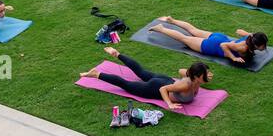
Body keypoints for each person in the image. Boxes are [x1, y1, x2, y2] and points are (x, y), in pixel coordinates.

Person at [81, 47, 210, 111]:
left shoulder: (192, 77)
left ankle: (117, 54)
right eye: (205, 74)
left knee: (141, 72)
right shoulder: (186, 85)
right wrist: (169, 104)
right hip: (155, 87)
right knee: (125, 84)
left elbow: (182, 71)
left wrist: (202, 73)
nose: (208, 76)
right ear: (198, 76)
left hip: (165, 79)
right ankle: (96, 74)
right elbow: (163, 89)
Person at [150, 16, 269, 66]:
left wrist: (247, 33)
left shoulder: (250, 37)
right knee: (184, 39)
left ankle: (173, 20)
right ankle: (161, 29)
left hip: (220, 37)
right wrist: (233, 58)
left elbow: (238, 31)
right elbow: (224, 46)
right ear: (256, 44)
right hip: (213, 45)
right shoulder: (243, 48)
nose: (264, 48)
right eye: (263, 46)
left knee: (193, 30)